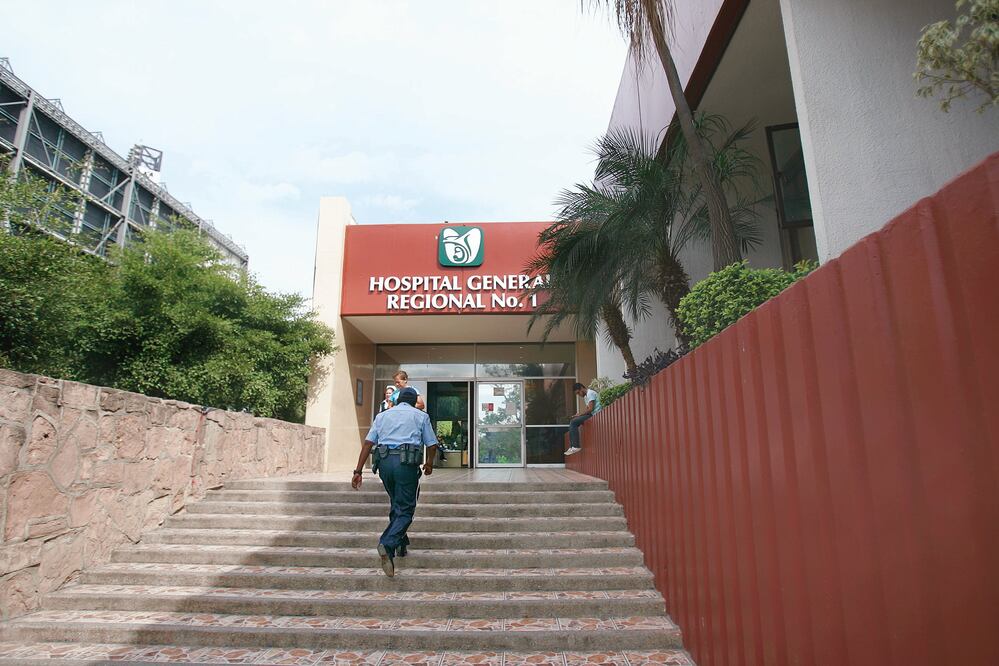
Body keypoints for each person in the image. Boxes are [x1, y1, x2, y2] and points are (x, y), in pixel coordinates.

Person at [351, 387, 437, 577]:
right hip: (406, 465)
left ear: (397, 401)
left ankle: (401, 544)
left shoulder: (382, 416)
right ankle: (388, 543)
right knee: (406, 509)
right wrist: (429, 464)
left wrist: (358, 471)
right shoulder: (420, 415)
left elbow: (368, 443)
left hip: (384, 464)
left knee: (397, 502)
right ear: (415, 401)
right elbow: (431, 444)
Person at [564, 382, 600, 456]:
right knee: (573, 421)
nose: (579, 395)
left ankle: (576, 446)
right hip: (591, 414)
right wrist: (578, 415)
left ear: (581, 388)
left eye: (578, 393)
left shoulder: (590, 393)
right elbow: (587, 410)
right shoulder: (586, 397)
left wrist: (580, 415)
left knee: (573, 422)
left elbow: (590, 409)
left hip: (596, 414)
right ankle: (572, 446)